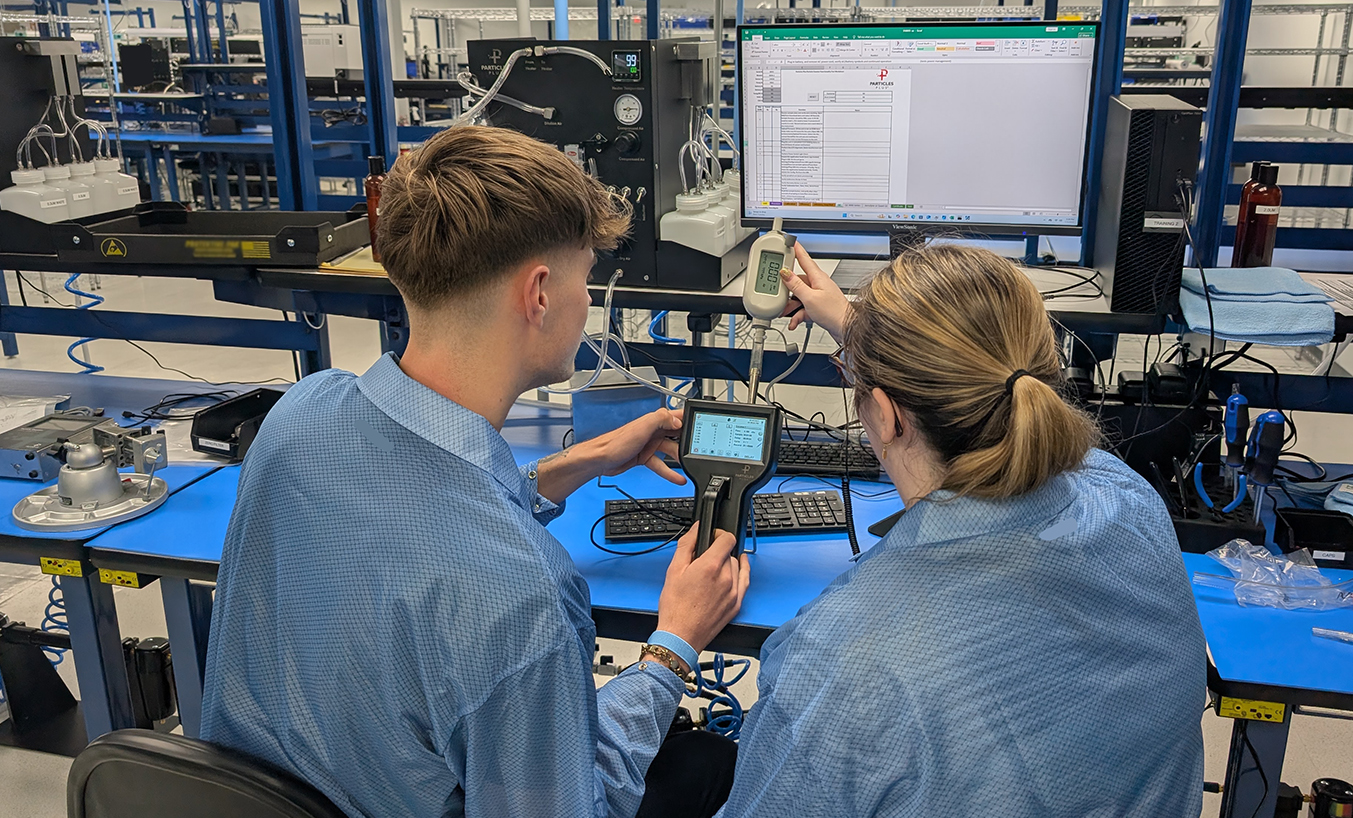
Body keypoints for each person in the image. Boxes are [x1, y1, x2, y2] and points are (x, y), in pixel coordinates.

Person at [200, 126, 749, 818]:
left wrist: (582, 460)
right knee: (711, 763)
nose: (589, 302)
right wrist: (672, 648)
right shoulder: (524, 598)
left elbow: (431, 508)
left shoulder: (301, 415)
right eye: (586, 277)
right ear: (539, 294)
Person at [716, 243, 1207, 818]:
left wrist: (668, 655)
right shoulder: (1129, 500)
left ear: (885, 416)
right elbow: (984, 377)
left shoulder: (838, 667)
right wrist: (862, 331)